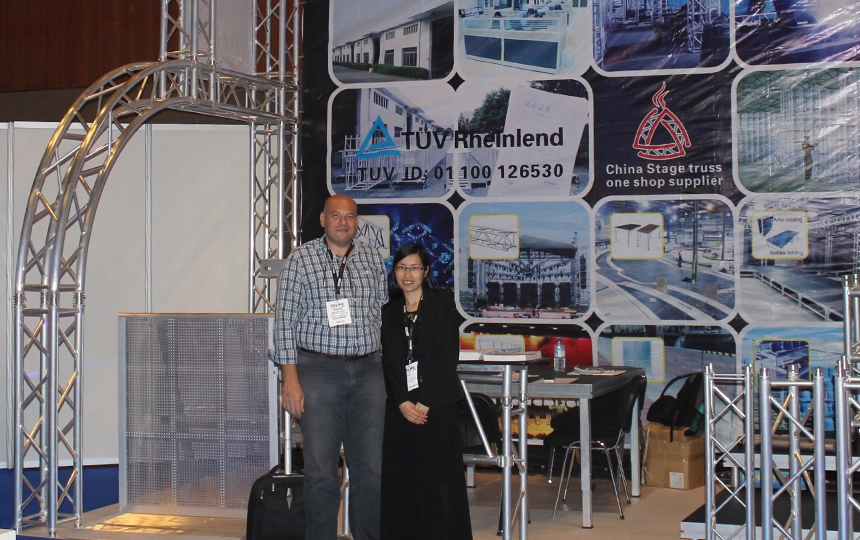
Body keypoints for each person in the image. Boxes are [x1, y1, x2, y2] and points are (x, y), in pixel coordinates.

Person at [271, 194, 388, 540]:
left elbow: (381, 311)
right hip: (318, 371)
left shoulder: (372, 257)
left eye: (349, 217)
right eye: (336, 215)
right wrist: (290, 380)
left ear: (357, 223)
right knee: (321, 472)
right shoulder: (301, 259)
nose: (343, 222)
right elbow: (284, 323)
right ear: (323, 220)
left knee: (370, 470)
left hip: (368, 371)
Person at [379, 243, 473, 540]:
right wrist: (402, 402)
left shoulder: (442, 304)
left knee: (440, 482)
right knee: (402, 482)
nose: (407, 274)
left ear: (426, 271)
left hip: (437, 407)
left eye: (414, 268)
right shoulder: (388, 311)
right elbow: (389, 363)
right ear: (394, 271)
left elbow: (447, 357)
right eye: (401, 267)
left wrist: (425, 401)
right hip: (400, 411)